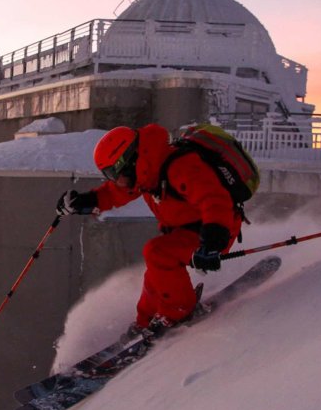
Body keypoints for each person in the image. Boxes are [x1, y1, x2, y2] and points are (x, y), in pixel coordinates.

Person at [56, 124, 242, 335]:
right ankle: (144, 322)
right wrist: (85, 201)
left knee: (158, 253)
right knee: (156, 278)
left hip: (215, 230)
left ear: (131, 161)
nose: (118, 182)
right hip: (186, 231)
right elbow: (114, 194)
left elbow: (215, 200)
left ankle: (178, 312)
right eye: (110, 175)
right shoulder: (146, 173)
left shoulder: (180, 167)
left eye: (116, 174)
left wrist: (213, 241)